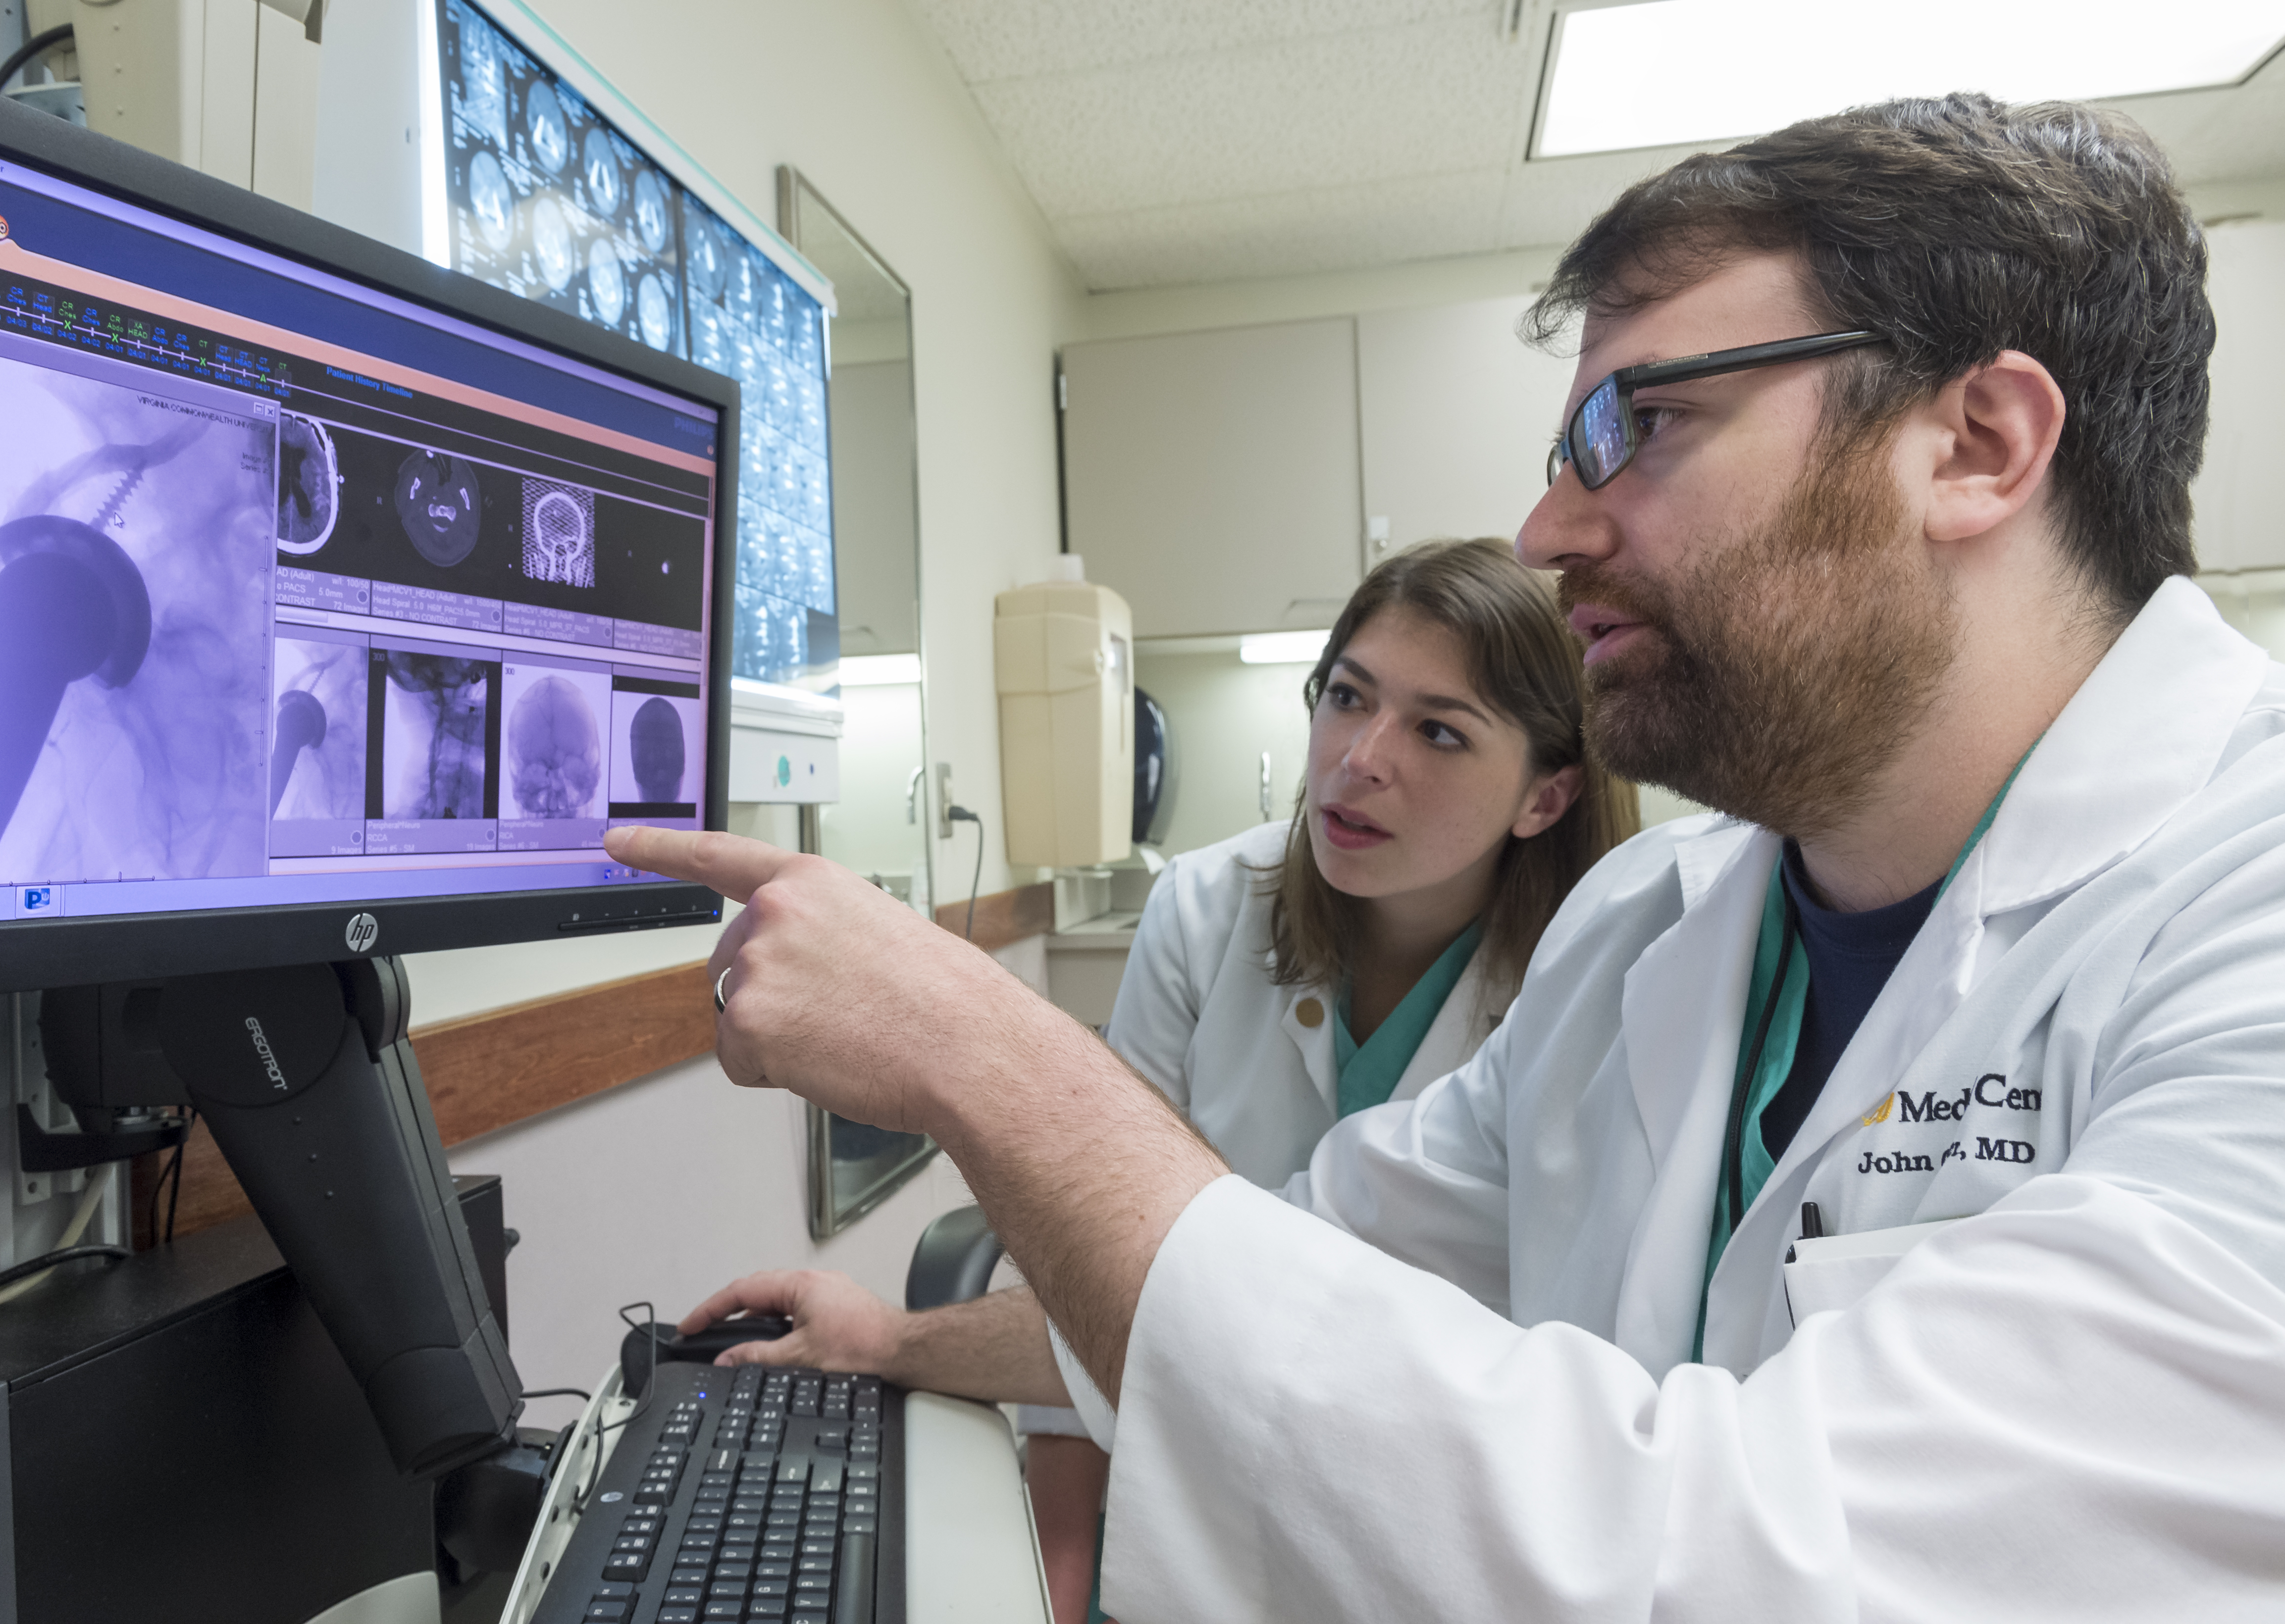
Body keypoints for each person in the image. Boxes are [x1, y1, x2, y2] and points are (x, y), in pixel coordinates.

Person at [614, 92, 2285, 1620]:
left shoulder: (2239, 899)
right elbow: (1279, 1280)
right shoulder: (1654, 922)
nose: (1550, 529)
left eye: (1639, 426)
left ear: (1975, 446)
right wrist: (898, 1342)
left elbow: (1767, 1555)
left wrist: (976, 1052)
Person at [1013, 537, 1636, 1621]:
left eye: (1439, 730)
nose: (1359, 757)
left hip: (1441, 1547)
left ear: (1546, 796)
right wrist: (1057, 1595)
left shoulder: (1601, 986)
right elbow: (1099, 1265)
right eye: (1347, 697)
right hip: (1186, 1511)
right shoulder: (1205, 911)